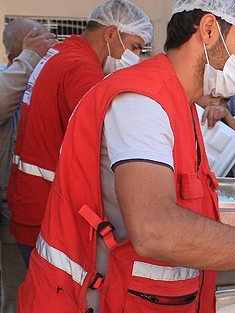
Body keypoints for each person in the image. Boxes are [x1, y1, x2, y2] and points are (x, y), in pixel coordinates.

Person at [16, 0, 235, 312]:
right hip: (85, 299)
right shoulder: (142, 101)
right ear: (209, 30)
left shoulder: (181, 104)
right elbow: (156, 229)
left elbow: (194, 214)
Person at [7, 0, 153, 266]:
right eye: (134, 47)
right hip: (49, 212)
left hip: (31, 202)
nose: (136, 57)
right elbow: (110, 140)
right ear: (110, 34)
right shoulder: (81, 68)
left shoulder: (61, 53)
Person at [0, 18, 56, 313]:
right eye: (36, 46)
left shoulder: (49, 83)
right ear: (14, 58)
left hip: (29, 209)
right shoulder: (9, 78)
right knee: (16, 292)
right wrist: (29, 59)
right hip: (10, 207)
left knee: (31, 290)